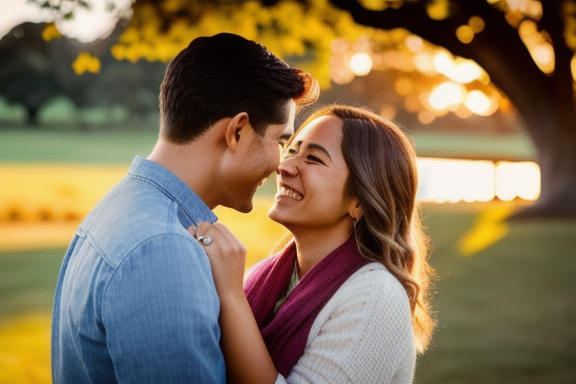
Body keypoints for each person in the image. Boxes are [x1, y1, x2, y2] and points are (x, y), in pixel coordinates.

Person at [51, 32, 319, 384]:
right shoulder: (163, 248)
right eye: (281, 141)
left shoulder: (120, 207)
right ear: (237, 131)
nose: (280, 165)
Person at [193, 104, 436, 384]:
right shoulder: (267, 276)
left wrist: (231, 295)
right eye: (292, 151)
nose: (283, 167)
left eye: (314, 159)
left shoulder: (376, 296)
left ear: (360, 200)